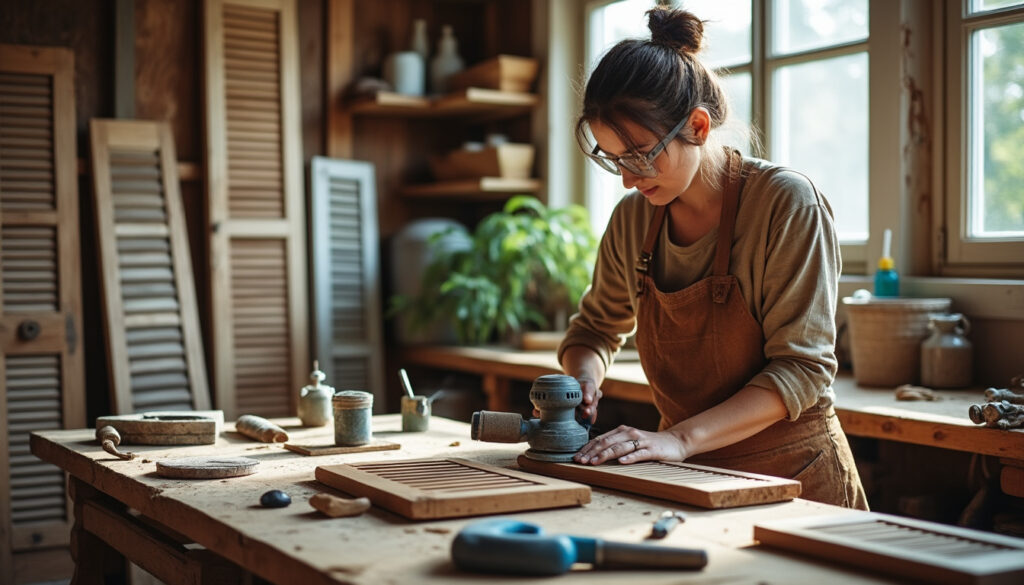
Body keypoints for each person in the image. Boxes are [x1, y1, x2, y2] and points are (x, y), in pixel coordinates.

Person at [559, 5, 868, 509]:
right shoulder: (634, 219)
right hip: (684, 477)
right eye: (614, 159)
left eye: (639, 155)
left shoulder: (786, 203)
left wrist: (679, 439)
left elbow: (802, 369)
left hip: (794, 479)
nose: (628, 179)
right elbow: (594, 330)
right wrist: (583, 379)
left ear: (698, 127)